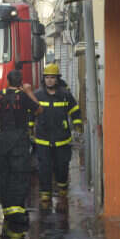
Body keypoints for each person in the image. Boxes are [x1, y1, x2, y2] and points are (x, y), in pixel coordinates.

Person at [0, 69, 42, 226]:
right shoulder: (23, 96)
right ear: (21, 82)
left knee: (4, 176)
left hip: (2, 140)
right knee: (19, 175)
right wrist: (28, 92)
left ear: (7, 81)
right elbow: (39, 109)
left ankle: (7, 210)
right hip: (19, 141)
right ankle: (17, 212)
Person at [34, 63, 82, 212]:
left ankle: (62, 191)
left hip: (62, 139)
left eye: (52, 77)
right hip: (43, 139)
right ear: (44, 79)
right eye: (47, 77)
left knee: (61, 166)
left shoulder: (65, 94)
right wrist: (29, 128)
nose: (49, 80)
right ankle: (45, 195)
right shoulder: (37, 95)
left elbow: (75, 110)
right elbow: (31, 113)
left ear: (57, 79)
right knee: (44, 168)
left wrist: (77, 124)